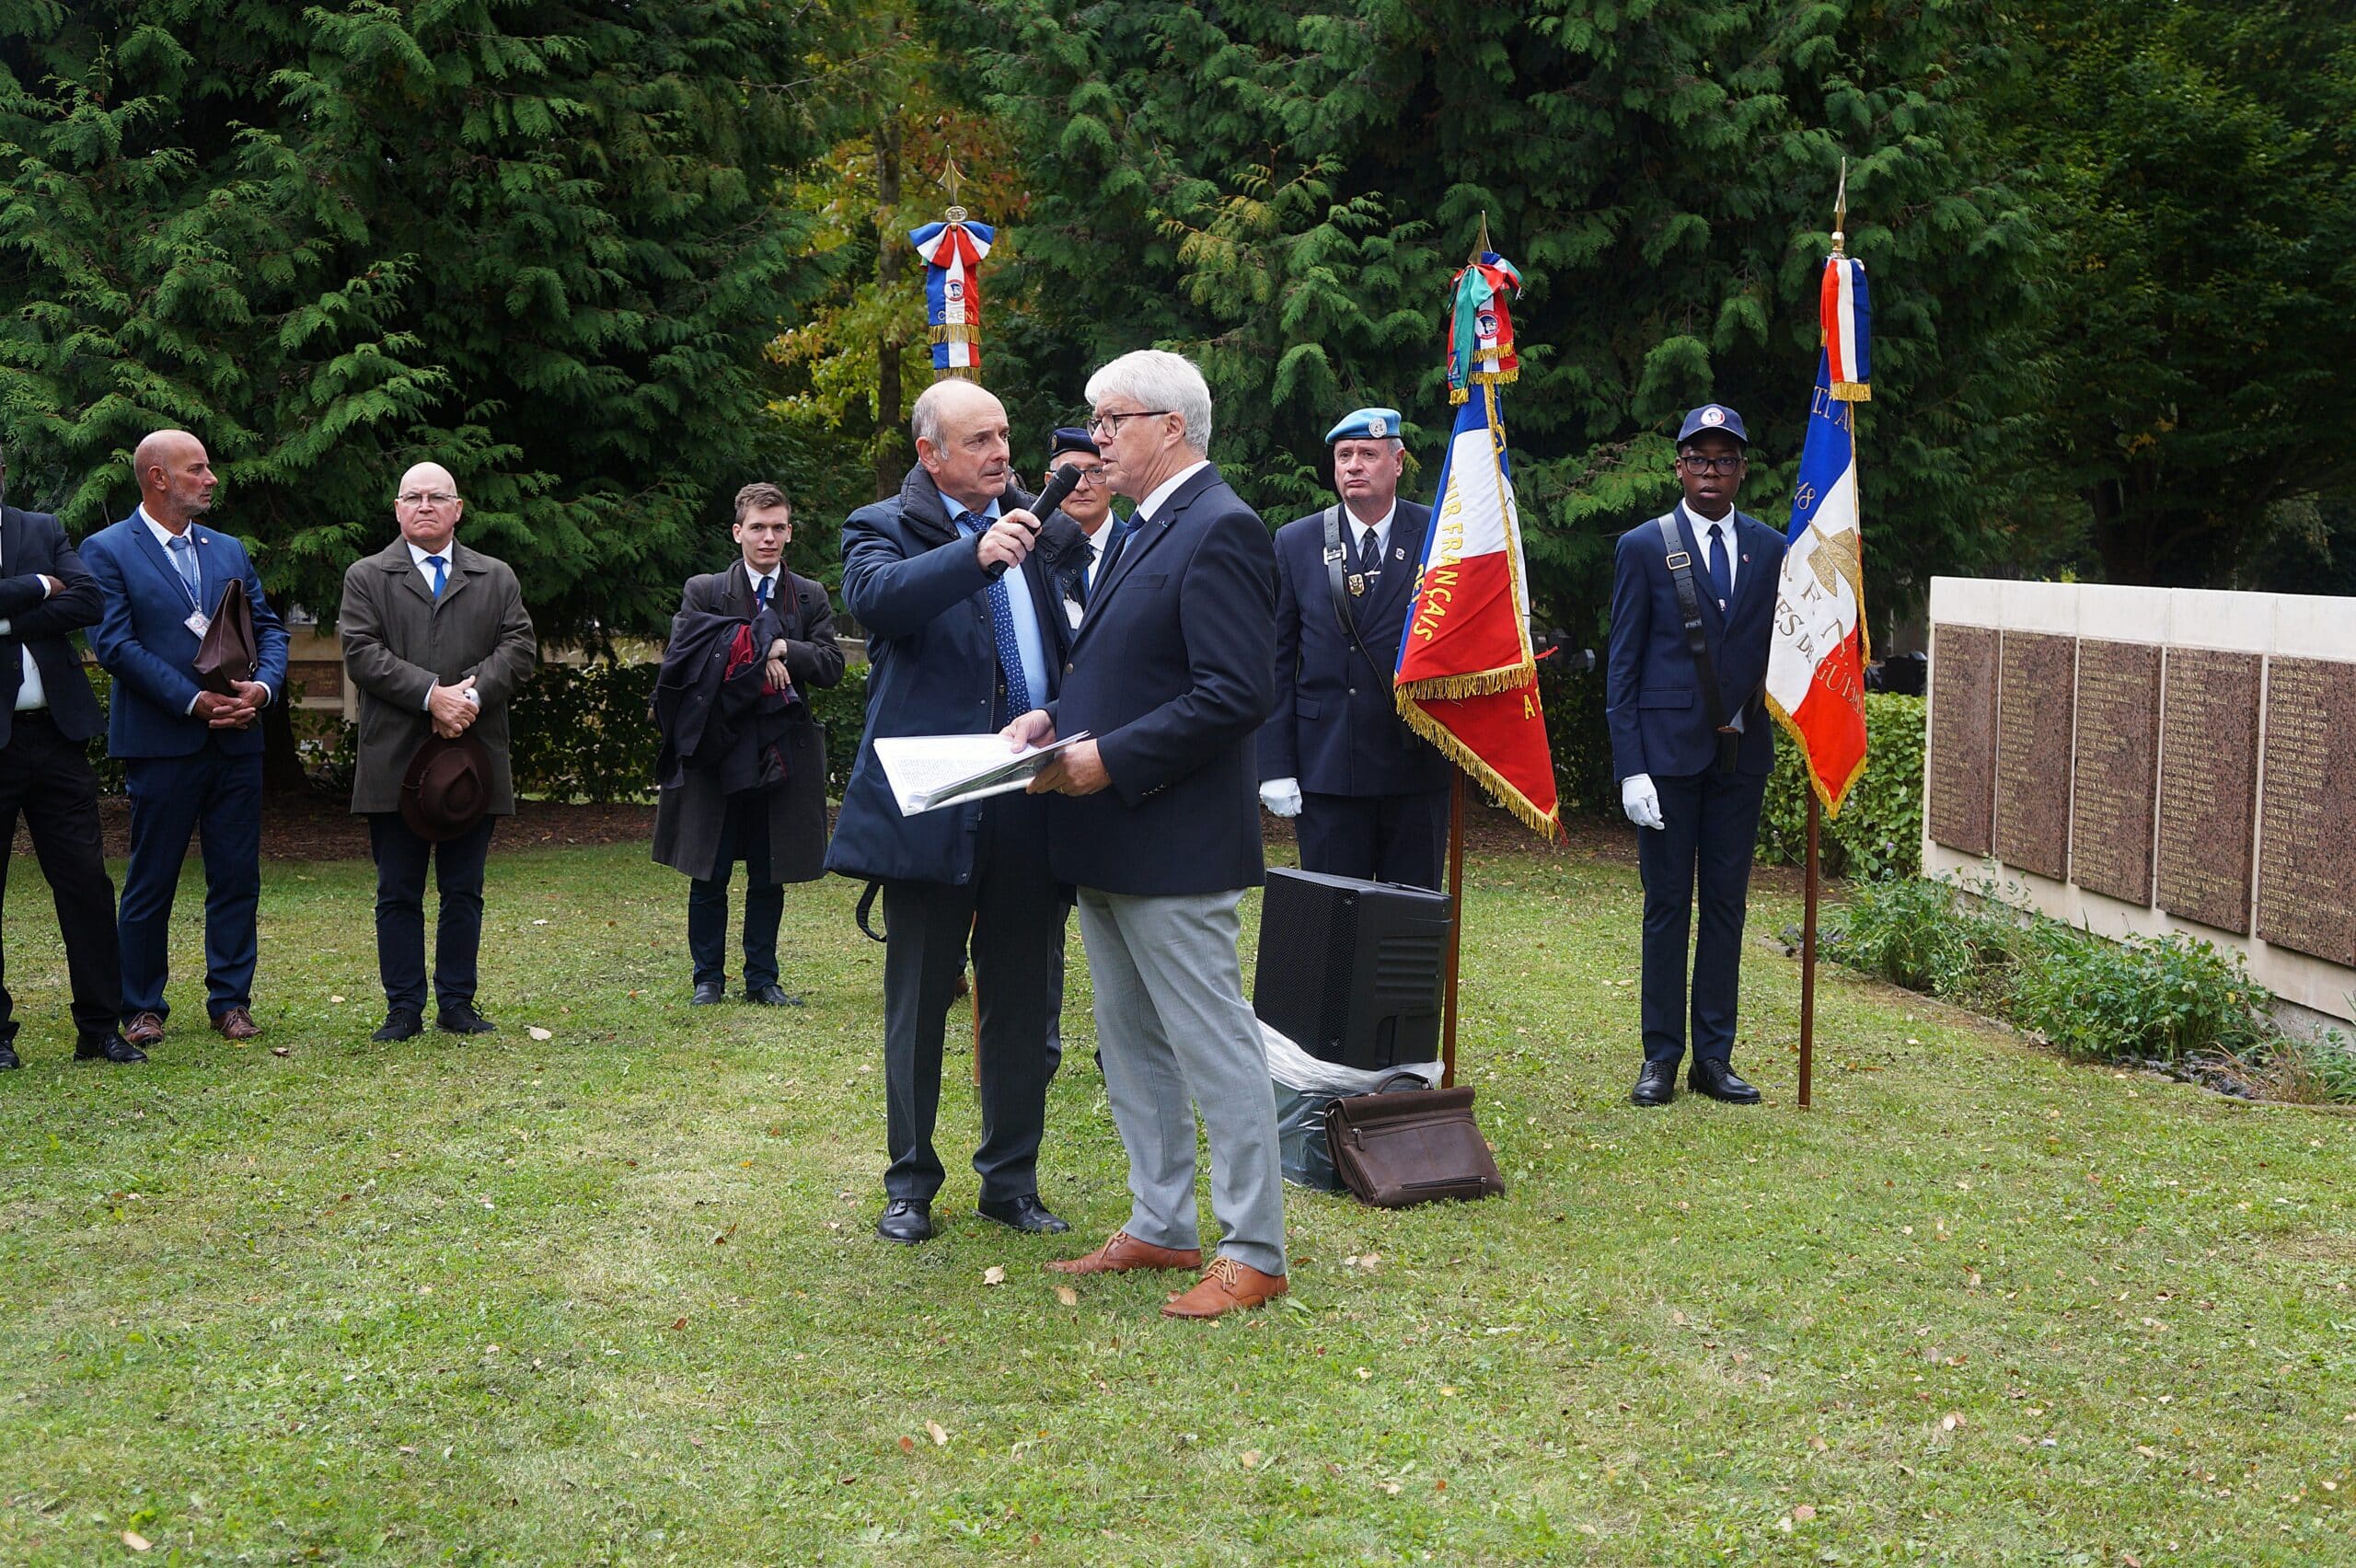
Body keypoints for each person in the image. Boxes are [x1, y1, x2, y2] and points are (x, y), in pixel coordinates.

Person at [1006, 348, 1290, 1320]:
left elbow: (1236, 692)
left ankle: (1254, 1249)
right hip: (1111, 838)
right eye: (1094, 421)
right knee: (1132, 1047)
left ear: (1172, 426)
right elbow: (1130, 668)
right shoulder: (1143, 525)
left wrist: (1111, 759)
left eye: (1111, 420)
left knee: (1213, 1047)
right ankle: (1163, 1222)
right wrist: (1054, 719)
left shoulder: (1221, 526)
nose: (1096, 441)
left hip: (1174, 842)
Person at [826, 379, 1075, 1245]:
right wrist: (973, 557)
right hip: (935, 801)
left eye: (1004, 435)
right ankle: (910, 1185)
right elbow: (876, 601)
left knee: (1022, 1000)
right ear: (929, 455)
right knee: (921, 999)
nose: (1001, 453)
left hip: (1028, 795)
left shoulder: (1043, 528)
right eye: (979, 441)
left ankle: (1011, 1183)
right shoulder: (881, 527)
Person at [1605, 403, 1788, 1108]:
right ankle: (1660, 1056)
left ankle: (1714, 1057)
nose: (1712, 472)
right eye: (1699, 460)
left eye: (1725, 461)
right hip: (1666, 760)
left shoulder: (1772, 549)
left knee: (1726, 907)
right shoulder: (1644, 547)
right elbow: (1623, 667)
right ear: (1679, 467)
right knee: (1666, 907)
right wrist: (1631, 768)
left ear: (1741, 470)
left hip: (1741, 756)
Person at [81, 430, 288, 1048]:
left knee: (236, 877)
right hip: (162, 742)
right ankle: (142, 1006)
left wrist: (262, 691)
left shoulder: (228, 549)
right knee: (152, 880)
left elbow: (270, 629)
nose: (211, 478)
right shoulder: (107, 550)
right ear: (158, 478)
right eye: (197, 469)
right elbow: (115, 645)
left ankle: (231, 1001)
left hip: (238, 740)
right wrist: (194, 701)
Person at [338, 461, 537, 1041]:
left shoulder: (495, 576)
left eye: (437, 497)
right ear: (398, 509)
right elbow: (361, 652)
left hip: (472, 757)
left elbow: (519, 647)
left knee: (463, 889)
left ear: (457, 510)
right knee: (397, 890)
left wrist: (468, 697)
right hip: (394, 759)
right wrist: (431, 696)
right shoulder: (366, 576)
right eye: (413, 497)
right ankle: (403, 1009)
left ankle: (457, 1004)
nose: (424, 506)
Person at [652, 481, 844, 1007]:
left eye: (778, 527)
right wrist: (761, 652)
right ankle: (707, 979)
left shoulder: (809, 594)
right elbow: (685, 656)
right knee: (709, 869)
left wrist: (784, 647)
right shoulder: (705, 590)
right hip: (717, 746)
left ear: (790, 532)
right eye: (758, 528)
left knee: (768, 870)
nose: (768, 538)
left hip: (781, 749)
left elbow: (830, 665)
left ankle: (762, 978)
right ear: (738, 532)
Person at [1257, 406, 1451, 889]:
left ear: (1398, 462)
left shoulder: (1440, 536)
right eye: (1344, 456)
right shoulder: (1297, 541)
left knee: (1410, 915)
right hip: (1327, 767)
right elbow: (1276, 660)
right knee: (1331, 922)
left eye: (1368, 454)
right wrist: (1275, 766)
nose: (1353, 466)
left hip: (1416, 761)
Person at [0, 441, 141, 1067]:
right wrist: (35, 587)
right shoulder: (38, 559)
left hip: (56, 736)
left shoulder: (41, 528)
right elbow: (58, 595)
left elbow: (88, 599)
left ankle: (100, 1029)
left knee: (85, 883)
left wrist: (8, 620)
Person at [1034, 427, 1130, 631]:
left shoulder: (1136, 546)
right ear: (1050, 483)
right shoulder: (1032, 551)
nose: (1081, 486)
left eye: (1095, 472)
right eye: (1069, 474)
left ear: (1113, 480)